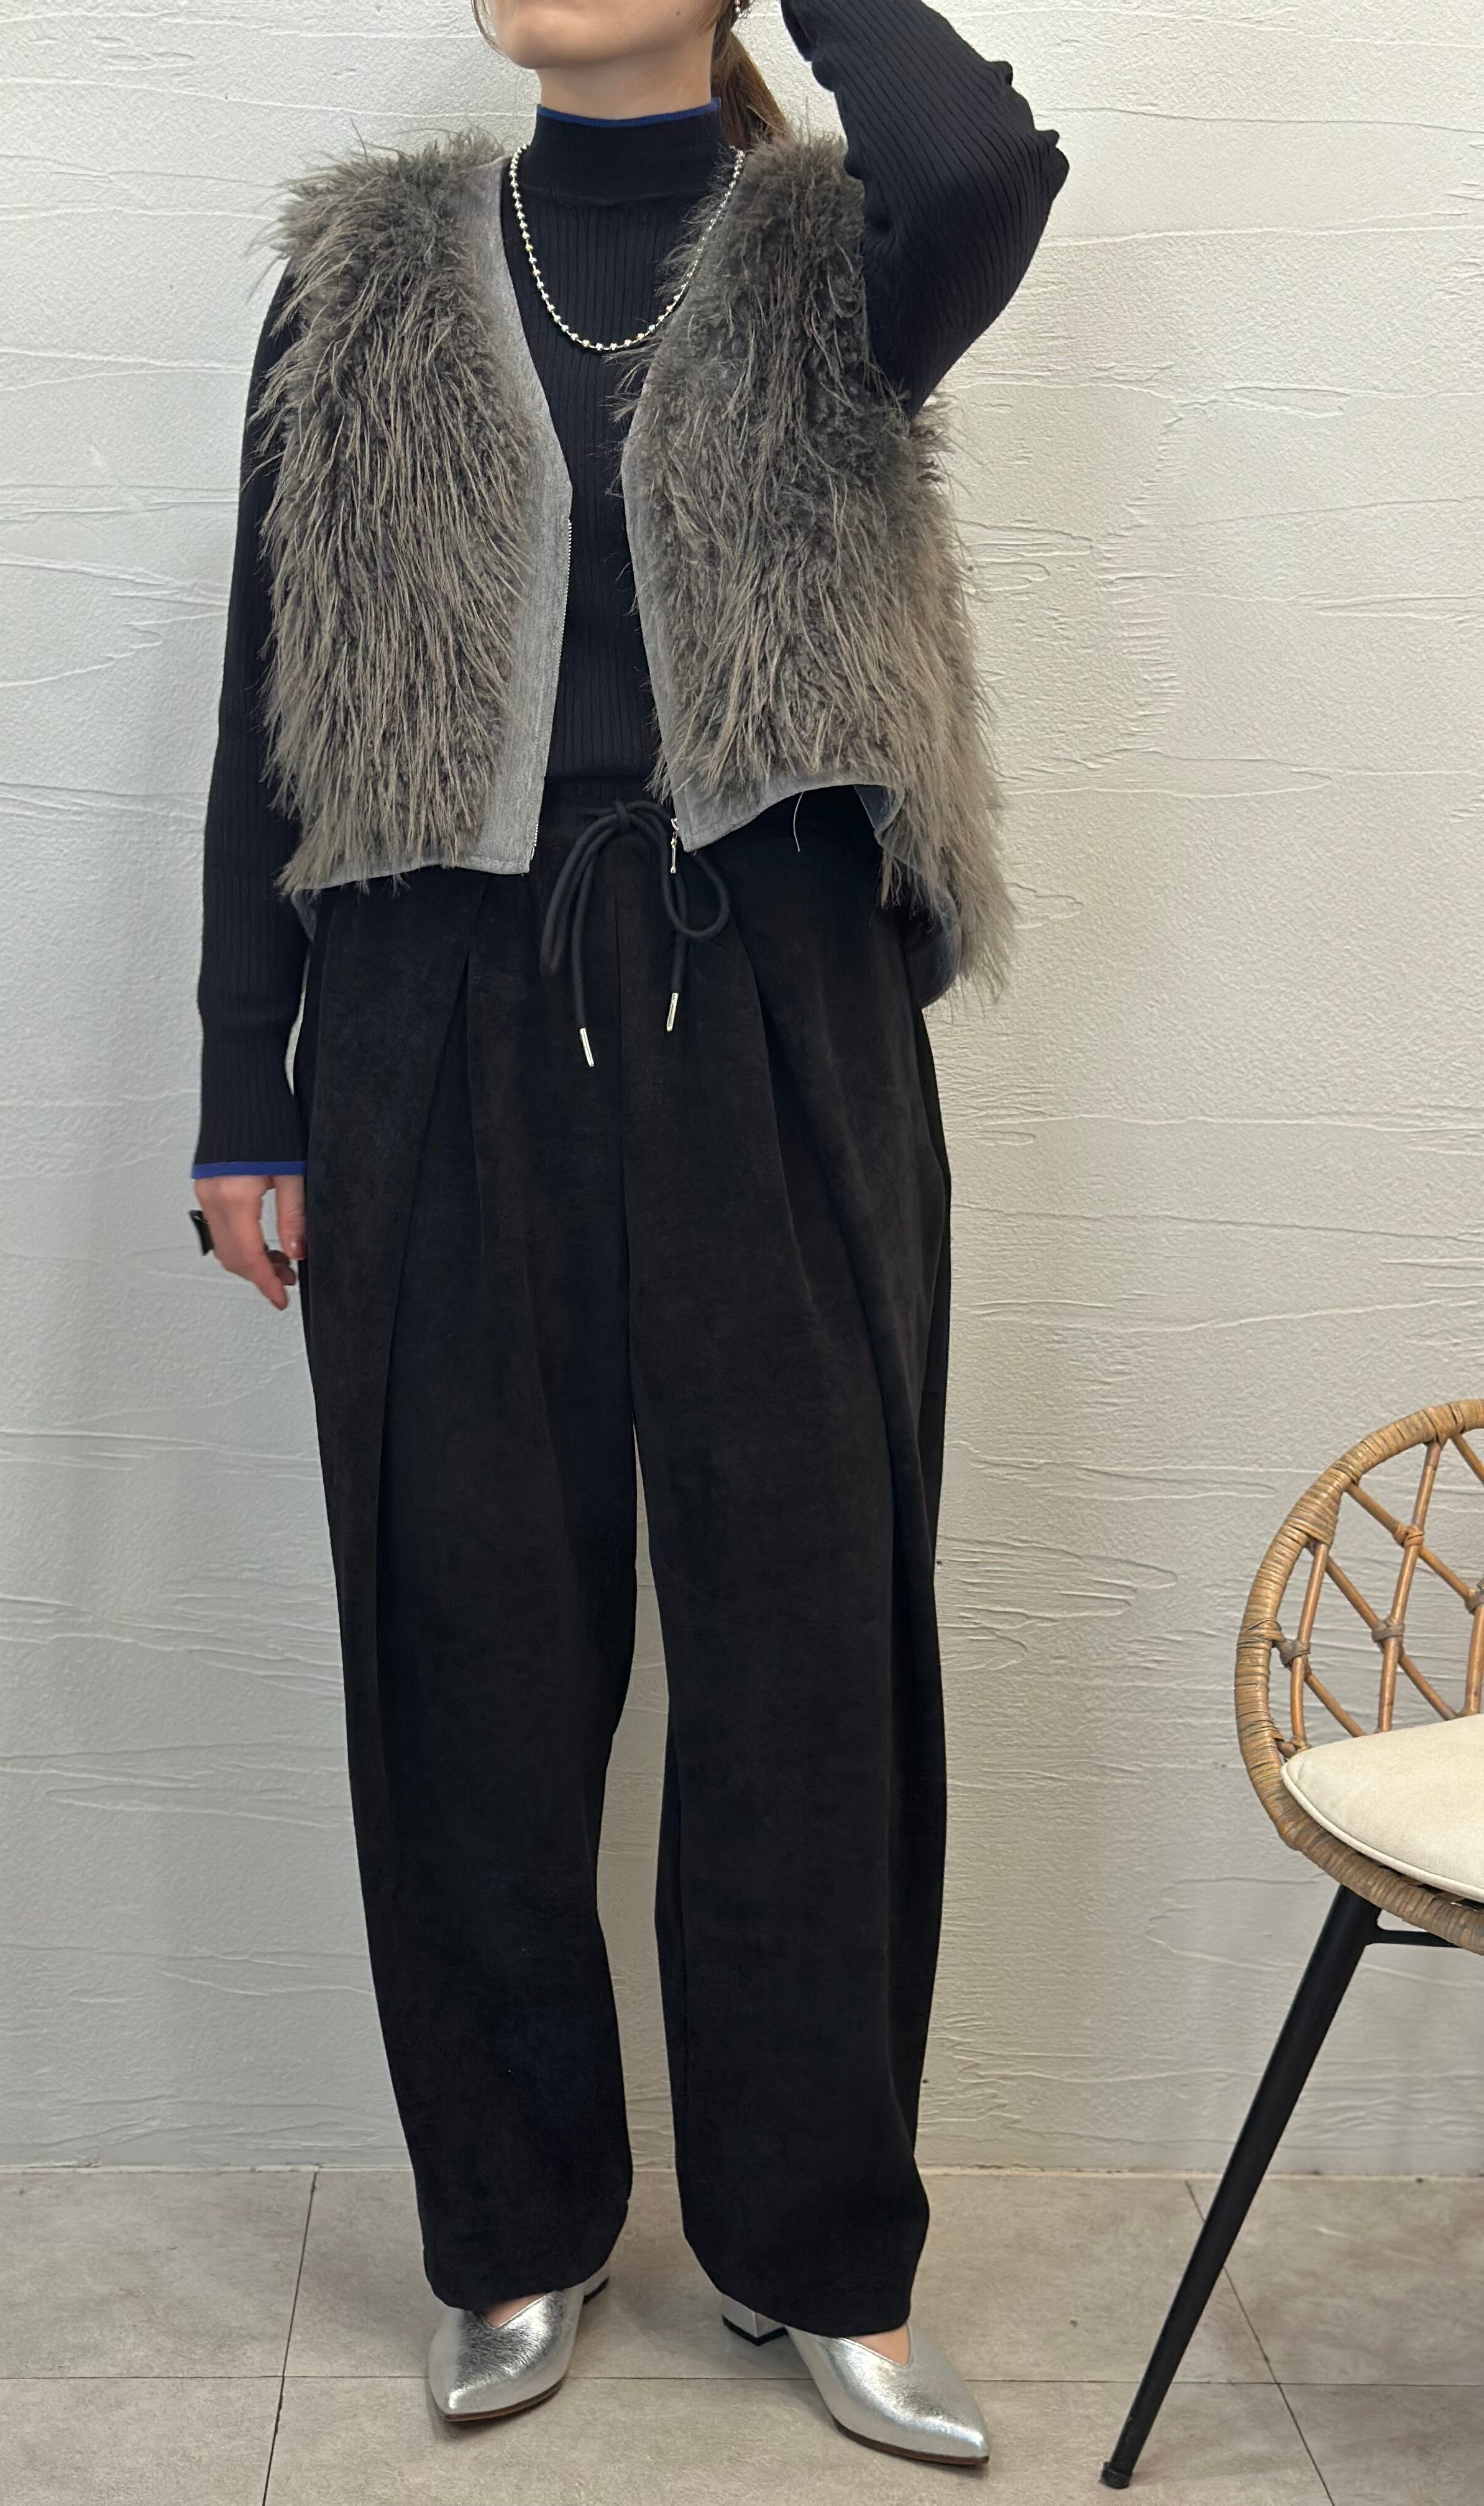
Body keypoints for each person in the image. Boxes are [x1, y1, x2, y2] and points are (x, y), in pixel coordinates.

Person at [190, 0, 1066, 2461]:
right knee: (465, 1644)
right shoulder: (362, 276)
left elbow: (985, 155)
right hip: (430, 1012)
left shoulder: (847, 251)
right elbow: (267, 694)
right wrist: (245, 1088)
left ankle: (822, 2249)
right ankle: (515, 2226)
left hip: (774, 1004)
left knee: (811, 1657)